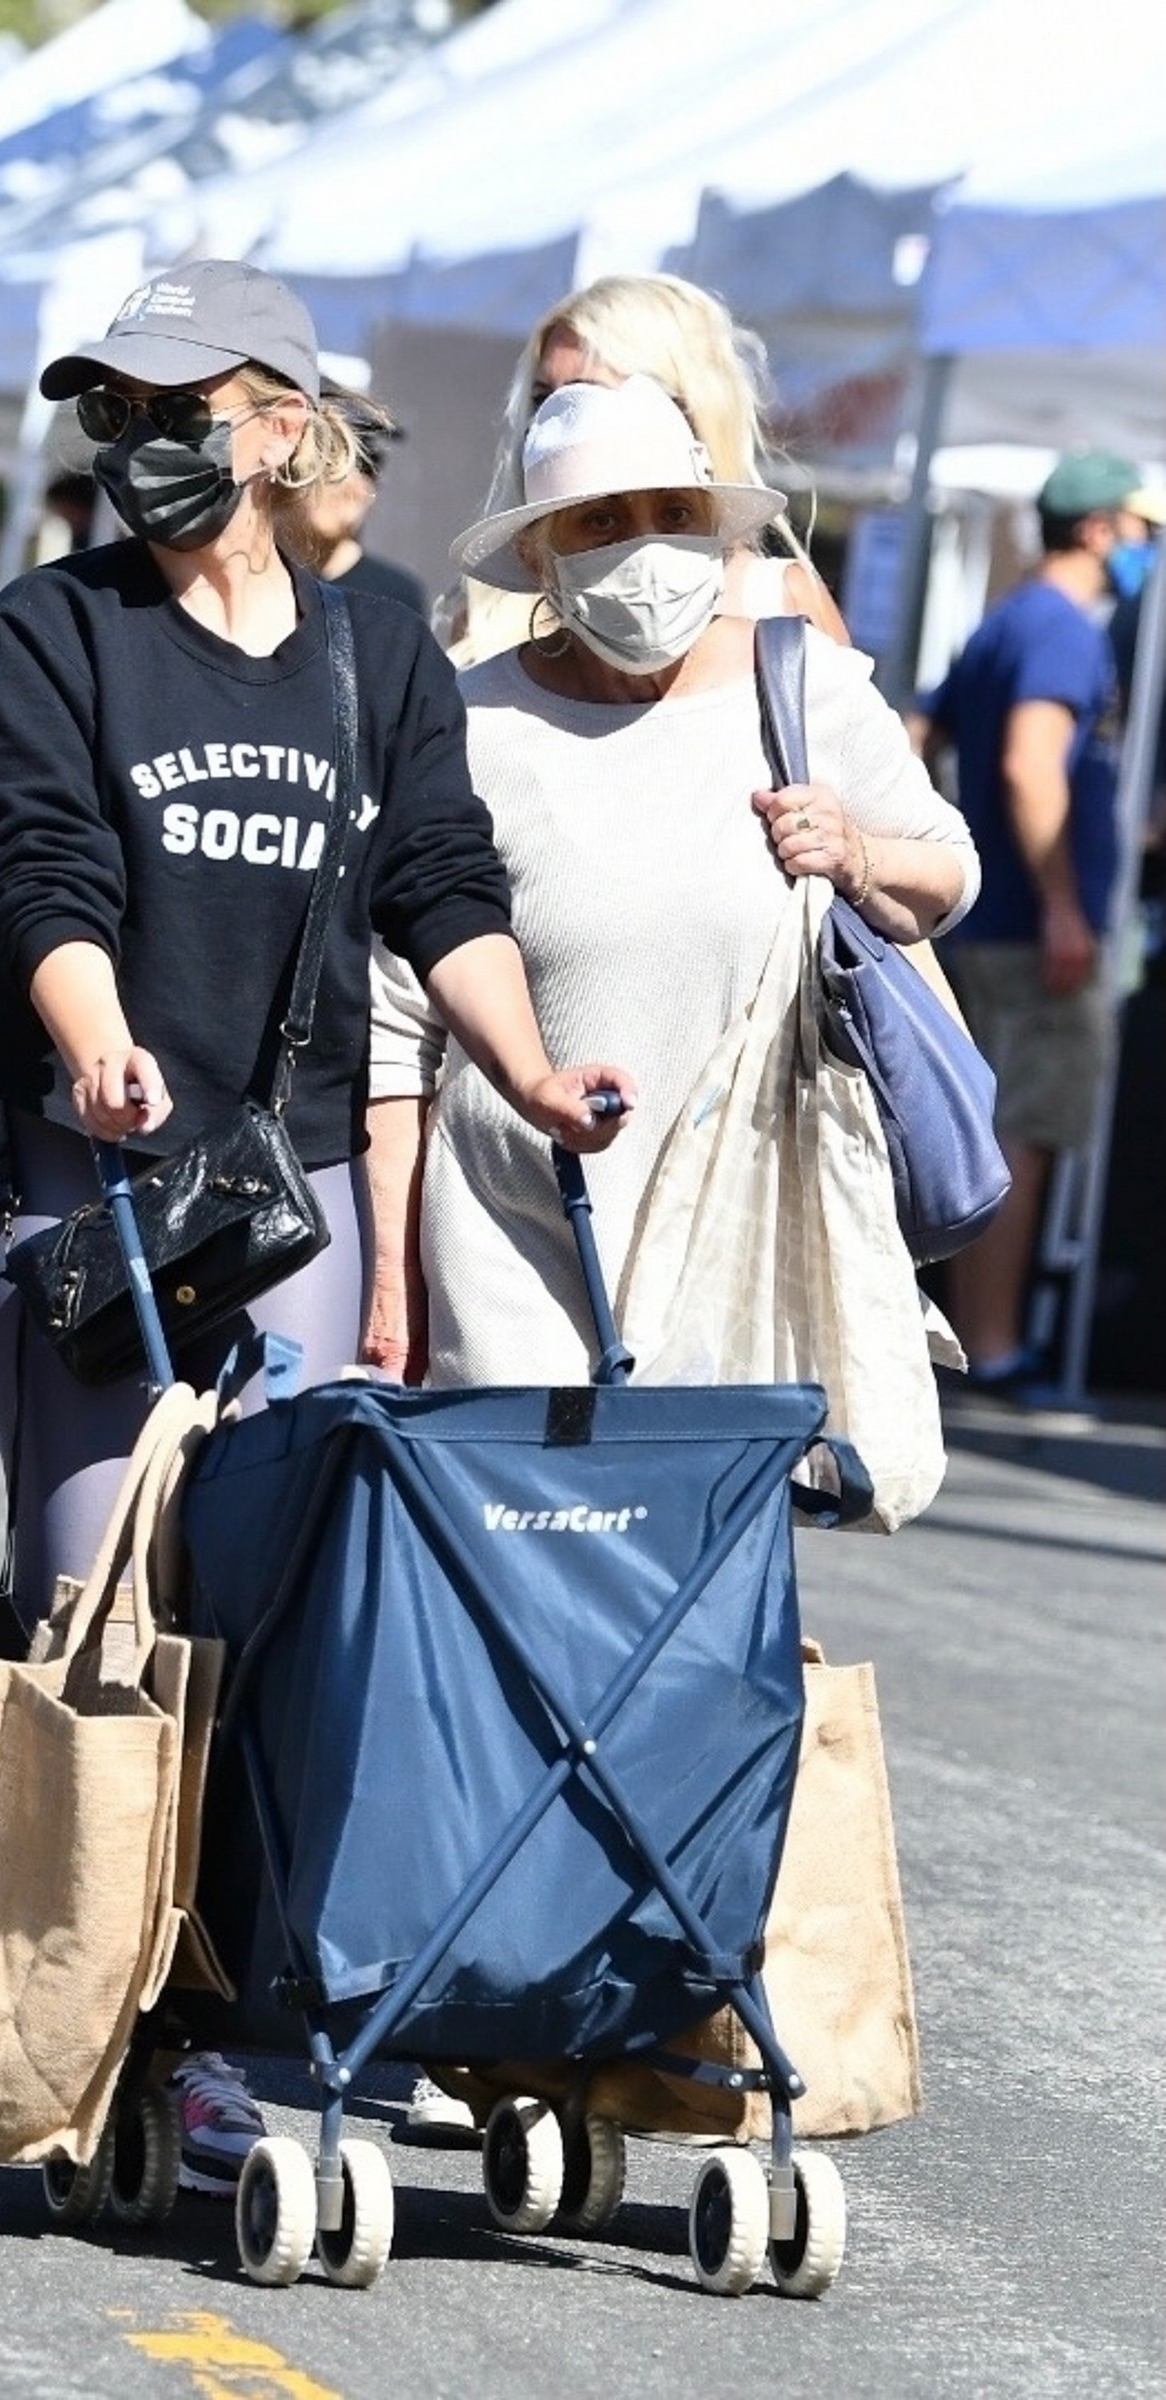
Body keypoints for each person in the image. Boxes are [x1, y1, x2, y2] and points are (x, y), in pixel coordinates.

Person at [0, 256, 631, 2197]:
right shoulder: (59, 627)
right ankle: (10, 1925)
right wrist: (98, 1049)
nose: (131, 442)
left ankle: (191, 2037)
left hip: (285, 1183)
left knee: (261, 1605)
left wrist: (534, 1074)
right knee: (89, 1590)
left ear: (283, 427)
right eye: (109, 411)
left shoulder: (376, 653)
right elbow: (39, 865)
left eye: (173, 409)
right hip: (91, 1171)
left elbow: (444, 881)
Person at [371, 373, 979, 2142]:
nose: (641, 553)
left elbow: (941, 874)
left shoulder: (803, 688)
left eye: (667, 519)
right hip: (508, 1231)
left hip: (735, 1225)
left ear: (716, 530)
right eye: (599, 525)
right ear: (543, 552)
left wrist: (852, 847)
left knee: (696, 1644)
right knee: (520, 1632)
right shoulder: (471, 719)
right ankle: (497, 2013)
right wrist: (393, 1288)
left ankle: (660, 2001)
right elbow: (400, 1018)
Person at [915, 447, 1144, 1396]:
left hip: (989, 920)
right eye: (1138, 530)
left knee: (989, 1127)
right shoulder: (1058, 630)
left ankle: (979, 1336)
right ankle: (997, 1344)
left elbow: (917, 733)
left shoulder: (1004, 619)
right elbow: (1026, 763)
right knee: (1024, 1133)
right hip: (1032, 927)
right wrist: (1061, 907)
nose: (1143, 549)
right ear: (1095, 529)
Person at [441, 271, 850, 666]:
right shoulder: (490, 620)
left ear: (683, 412)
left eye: (590, 396)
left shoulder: (780, 605)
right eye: (542, 398)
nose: (556, 421)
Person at [294, 389, 427, 614]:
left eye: (365, 469)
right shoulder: (259, 583)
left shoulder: (396, 597)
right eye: (327, 464)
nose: (344, 483)